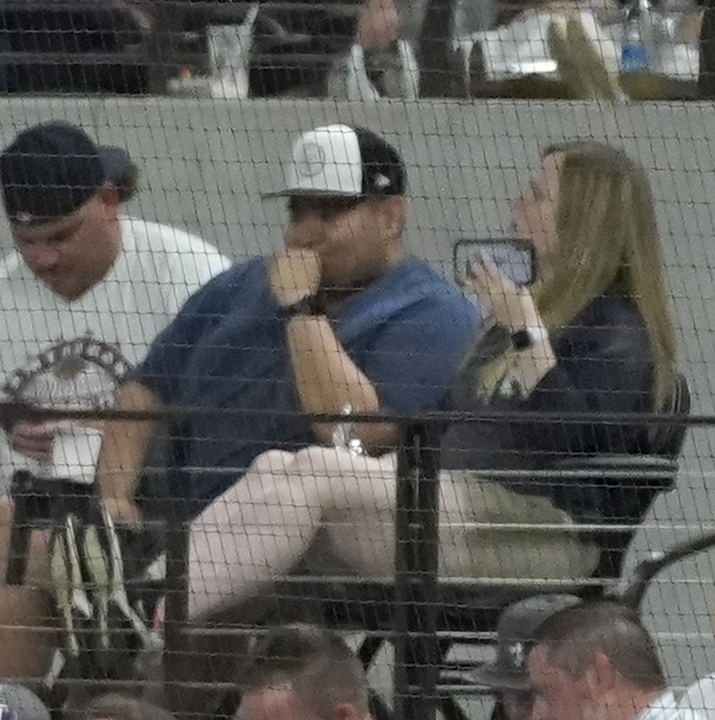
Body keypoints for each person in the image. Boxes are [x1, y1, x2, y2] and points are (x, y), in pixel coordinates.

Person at [182, 142, 676, 618]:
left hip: (538, 532)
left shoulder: (617, 331)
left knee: (311, 474)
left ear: (582, 220)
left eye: (538, 194)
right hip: (447, 503)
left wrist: (526, 331)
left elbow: (575, 441)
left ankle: (151, 613)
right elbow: (440, 426)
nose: (519, 202)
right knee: (276, 465)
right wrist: (360, 452)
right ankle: (138, 602)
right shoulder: (516, 323)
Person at [0, 120, 220, 686]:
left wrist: (98, 431)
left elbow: (227, 419)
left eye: (61, 237)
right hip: (23, 493)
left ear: (108, 203)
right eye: (27, 242)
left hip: (155, 506)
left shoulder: (188, 276)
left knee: (14, 525)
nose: (42, 260)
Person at [128, 122, 487, 535]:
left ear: (390, 217)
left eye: (330, 212)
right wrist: (115, 500)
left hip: (299, 544)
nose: (305, 234)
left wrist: (302, 310)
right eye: (297, 213)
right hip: (176, 517)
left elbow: (351, 436)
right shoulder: (238, 285)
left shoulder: (434, 313)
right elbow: (146, 387)